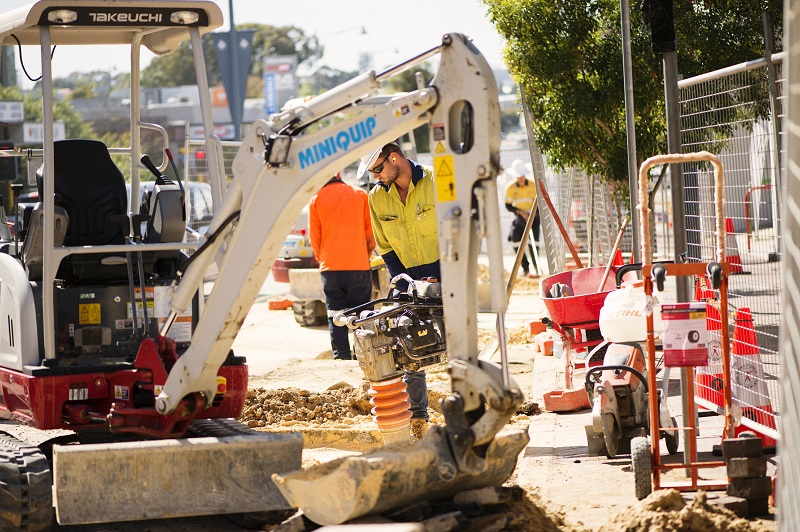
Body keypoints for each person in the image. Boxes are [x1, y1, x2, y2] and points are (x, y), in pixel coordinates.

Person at [358, 142, 437, 440]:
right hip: (407, 276)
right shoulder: (377, 197)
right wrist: (401, 280)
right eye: (372, 172)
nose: (377, 177)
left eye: (379, 169)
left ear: (394, 158)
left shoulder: (434, 181)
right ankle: (419, 417)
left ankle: (471, 410)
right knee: (406, 344)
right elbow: (386, 245)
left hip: (442, 270)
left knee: (457, 342)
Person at [308, 173, 376, 361]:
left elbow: (315, 238)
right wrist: (366, 254)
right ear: (338, 174)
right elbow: (371, 233)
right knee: (361, 314)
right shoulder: (360, 194)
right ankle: (362, 356)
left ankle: (342, 357)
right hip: (359, 265)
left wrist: (323, 259)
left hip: (331, 268)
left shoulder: (316, 199)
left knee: (336, 315)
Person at [504, 159, 540, 278]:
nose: (521, 179)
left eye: (522, 176)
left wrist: (533, 214)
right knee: (515, 240)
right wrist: (520, 212)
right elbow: (508, 205)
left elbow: (539, 202)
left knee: (534, 243)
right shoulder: (510, 189)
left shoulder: (533, 185)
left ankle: (537, 269)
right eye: (518, 177)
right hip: (520, 217)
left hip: (534, 217)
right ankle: (526, 269)